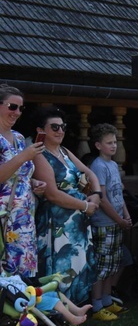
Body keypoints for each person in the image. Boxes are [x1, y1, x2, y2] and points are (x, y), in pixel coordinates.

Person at [33, 107, 102, 305]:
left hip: (78, 222)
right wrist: (84, 205)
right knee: (60, 272)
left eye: (62, 126)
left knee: (79, 267)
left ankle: (75, 317)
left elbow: (90, 174)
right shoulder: (39, 155)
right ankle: (58, 323)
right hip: (57, 225)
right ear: (41, 130)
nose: (60, 131)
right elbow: (53, 194)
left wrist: (96, 196)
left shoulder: (65, 151)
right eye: (54, 127)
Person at [0, 85, 46, 276]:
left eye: (21, 108)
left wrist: (33, 182)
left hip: (24, 218)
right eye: (12, 106)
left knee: (23, 274)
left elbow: (19, 174)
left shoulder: (19, 138)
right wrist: (24, 156)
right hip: (4, 217)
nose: (17, 112)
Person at [88, 123, 132, 321]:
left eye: (115, 142)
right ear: (98, 145)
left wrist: (126, 215)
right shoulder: (98, 166)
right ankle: (96, 305)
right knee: (102, 265)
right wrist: (118, 220)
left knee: (113, 263)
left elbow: (118, 194)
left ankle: (106, 300)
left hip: (116, 221)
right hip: (104, 223)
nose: (113, 146)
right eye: (109, 143)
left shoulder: (113, 165)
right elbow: (102, 198)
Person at [0, 273, 93, 326]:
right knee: (55, 302)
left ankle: (77, 310)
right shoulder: (2, 285)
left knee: (57, 294)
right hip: (27, 303)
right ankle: (72, 319)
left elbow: (30, 282)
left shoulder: (7, 277)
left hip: (33, 296)